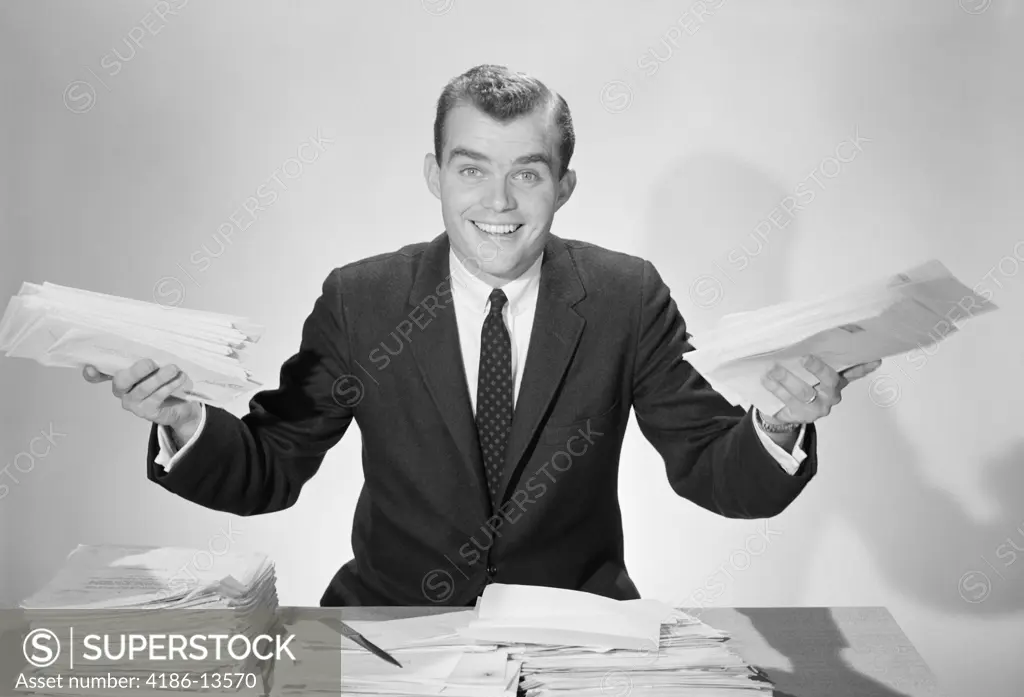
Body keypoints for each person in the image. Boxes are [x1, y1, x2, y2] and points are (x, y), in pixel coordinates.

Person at [83, 64, 880, 607]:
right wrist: (182, 420)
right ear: (434, 175)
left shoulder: (623, 295)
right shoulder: (362, 299)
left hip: (571, 633)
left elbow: (713, 469)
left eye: (527, 172)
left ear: (563, 186)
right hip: (390, 630)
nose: (498, 200)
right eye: (471, 169)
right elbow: (269, 468)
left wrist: (780, 420)